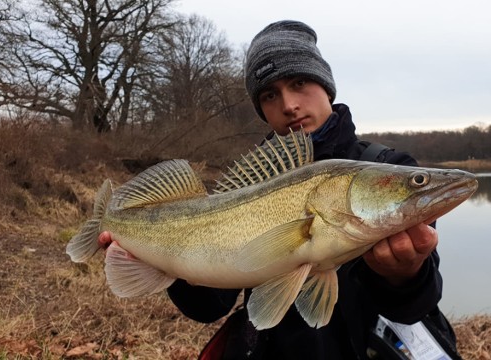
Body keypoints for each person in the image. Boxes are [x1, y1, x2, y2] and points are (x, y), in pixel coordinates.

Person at [99, 20, 461, 359]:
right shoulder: (250, 182)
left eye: (300, 83)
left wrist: (404, 274)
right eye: (270, 95)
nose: (288, 105)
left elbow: (417, 306)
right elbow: (209, 306)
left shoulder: (393, 167)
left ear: (325, 86)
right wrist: (159, 259)